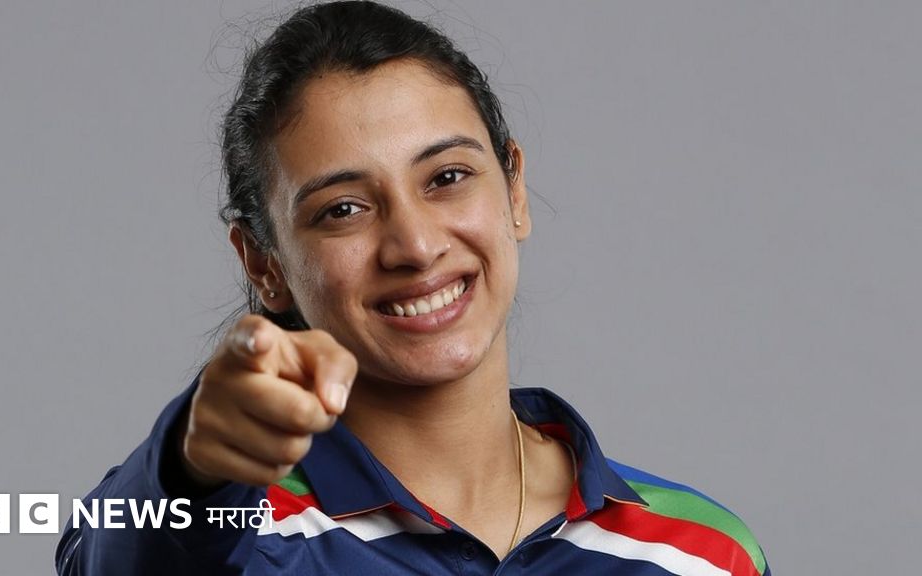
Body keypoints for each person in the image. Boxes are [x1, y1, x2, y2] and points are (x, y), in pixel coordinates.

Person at [56, 1, 771, 574]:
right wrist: (192, 465)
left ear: (514, 191)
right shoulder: (237, 539)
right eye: (343, 209)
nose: (416, 245)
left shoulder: (702, 555)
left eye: (447, 177)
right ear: (264, 263)